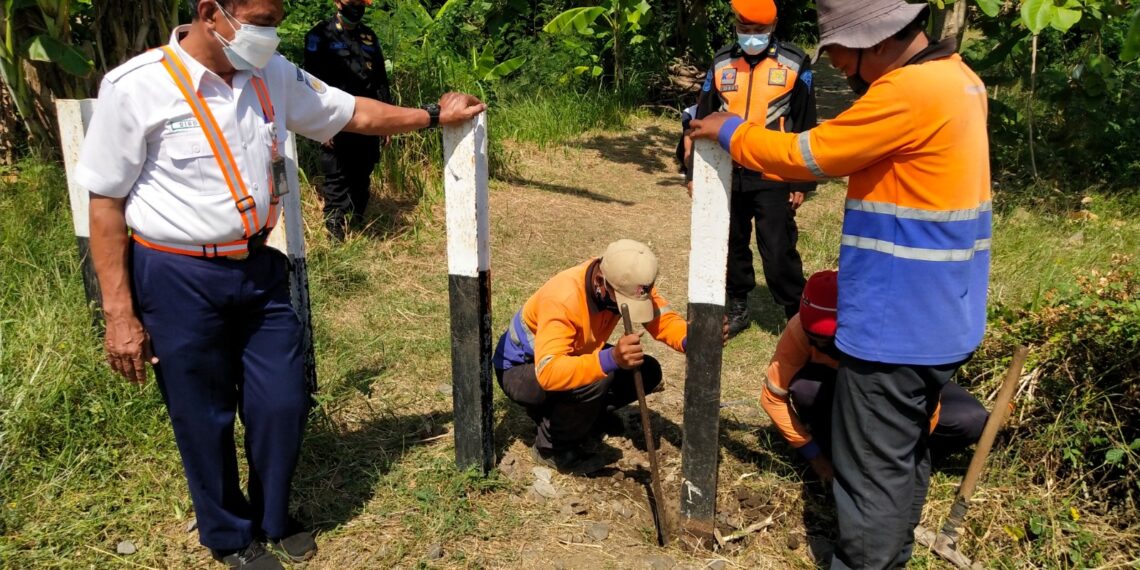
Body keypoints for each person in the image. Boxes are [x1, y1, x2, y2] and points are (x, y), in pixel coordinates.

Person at [76, 1, 484, 567]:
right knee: (202, 415)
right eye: (261, 20)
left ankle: (273, 514)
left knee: (283, 400)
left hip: (258, 267)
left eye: (277, 20)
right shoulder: (135, 87)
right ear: (211, 13)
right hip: (176, 275)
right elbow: (105, 205)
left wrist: (434, 116)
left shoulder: (271, 73)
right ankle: (228, 536)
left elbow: (353, 113)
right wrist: (119, 315)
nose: (270, 33)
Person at [690, 0, 991, 566]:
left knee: (870, 472)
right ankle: (890, 554)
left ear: (874, 39)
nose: (839, 67)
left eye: (842, 54)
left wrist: (728, 128)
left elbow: (806, 154)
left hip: (895, 325)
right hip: (944, 313)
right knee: (901, 454)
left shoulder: (908, 92)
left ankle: (865, 561)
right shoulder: (959, 79)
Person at [493, 240, 716, 474]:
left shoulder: (627, 280)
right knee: (599, 376)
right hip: (522, 370)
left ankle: (587, 417)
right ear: (600, 282)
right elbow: (549, 372)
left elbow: (662, 319)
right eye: (623, 303)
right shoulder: (563, 297)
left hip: (572, 354)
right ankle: (553, 448)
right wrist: (611, 359)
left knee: (647, 370)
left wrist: (690, 340)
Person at [761, 270, 988, 484]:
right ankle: (838, 451)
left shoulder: (890, 330)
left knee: (970, 419)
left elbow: (929, 400)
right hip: (840, 395)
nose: (819, 345)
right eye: (814, 338)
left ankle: (906, 462)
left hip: (894, 392)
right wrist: (815, 457)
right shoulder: (798, 330)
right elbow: (772, 398)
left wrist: (906, 453)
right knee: (806, 389)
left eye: (829, 340)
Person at [684, 0, 817, 337]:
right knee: (732, 242)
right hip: (728, 172)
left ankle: (796, 313)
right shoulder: (721, 62)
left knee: (777, 249)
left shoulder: (795, 62)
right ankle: (738, 305)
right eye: (745, 29)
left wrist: (801, 181)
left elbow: (805, 122)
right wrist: (693, 173)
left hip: (774, 171)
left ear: (773, 26)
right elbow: (702, 117)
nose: (751, 36)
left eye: (759, 30)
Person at [303, 0, 392, 240]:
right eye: (352, 2)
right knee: (336, 174)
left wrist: (387, 122)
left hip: (368, 118)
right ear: (337, 3)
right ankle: (335, 231)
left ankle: (358, 223)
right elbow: (312, 84)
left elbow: (380, 81)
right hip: (335, 118)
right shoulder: (319, 36)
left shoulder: (369, 37)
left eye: (361, 3)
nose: (357, 7)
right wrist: (322, 124)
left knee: (363, 171)